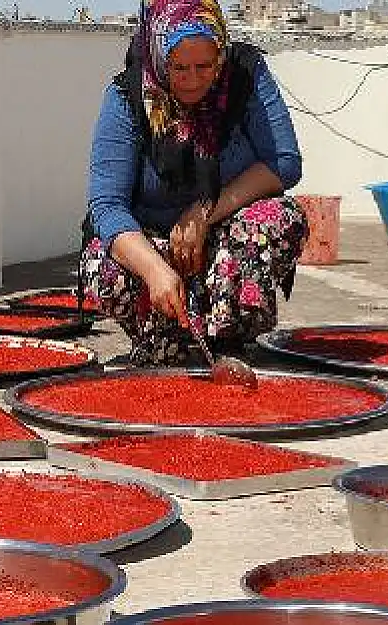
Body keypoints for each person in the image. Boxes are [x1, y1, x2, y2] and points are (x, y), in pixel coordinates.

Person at [79, 0, 308, 367]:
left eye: (205, 66)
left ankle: (229, 339)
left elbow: (284, 163)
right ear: (158, 58)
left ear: (220, 55)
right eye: (179, 67)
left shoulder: (245, 75)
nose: (193, 79)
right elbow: (107, 206)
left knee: (278, 218)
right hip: (154, 243)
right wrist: (155, 269)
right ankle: (168, 339)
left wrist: (204, 213)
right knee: (103, 262)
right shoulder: (127, 96)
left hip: (224, 238)